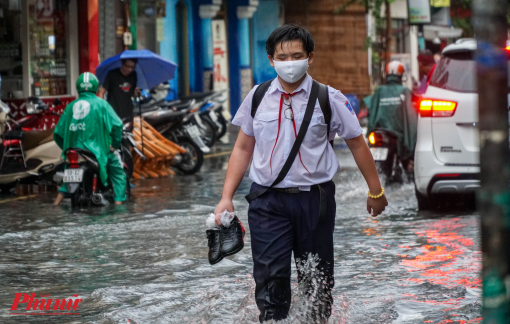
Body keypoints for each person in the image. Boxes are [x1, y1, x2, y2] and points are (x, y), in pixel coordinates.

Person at [213, 24, 388, 322]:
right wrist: (225, 197)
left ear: (310, 57)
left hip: (315, 202)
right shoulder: (257, 97)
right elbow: (243, 148)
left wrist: (376, 190)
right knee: (271, 278)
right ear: (271, 59)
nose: (289, 62)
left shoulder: (329, 98)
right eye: (282, 56)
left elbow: (357, 144)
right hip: (267, 202)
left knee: (317, 280)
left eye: (296, 55)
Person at [53, 72, 126, 205]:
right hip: (97, 153)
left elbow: (57, 133)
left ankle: (55, 205)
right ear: (96, 87)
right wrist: (114, 144)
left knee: (69, 174)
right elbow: (117, 124)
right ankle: (119, 206)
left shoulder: (70, 107)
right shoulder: (102, 104)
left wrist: (67, 148)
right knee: (118, 173)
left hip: (74, 152)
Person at [366, 61, 418, 173]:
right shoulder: (404, 92)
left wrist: (369, 132)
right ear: (401, 75)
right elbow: (411, 119)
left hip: (379, 133)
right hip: (397, 135)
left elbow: (371, 112)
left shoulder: (379, 91)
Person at [97, 58, 140, 123]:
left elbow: (132, 94)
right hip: (113, 112)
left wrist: (137, 94)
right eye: (127, 66)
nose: (130, 69)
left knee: (127, 133)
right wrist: (101, 108)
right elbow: (101, 92)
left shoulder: (134, 75)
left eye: (132, 67)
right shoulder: (112, 74)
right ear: (122, 63)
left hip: (128, 113)